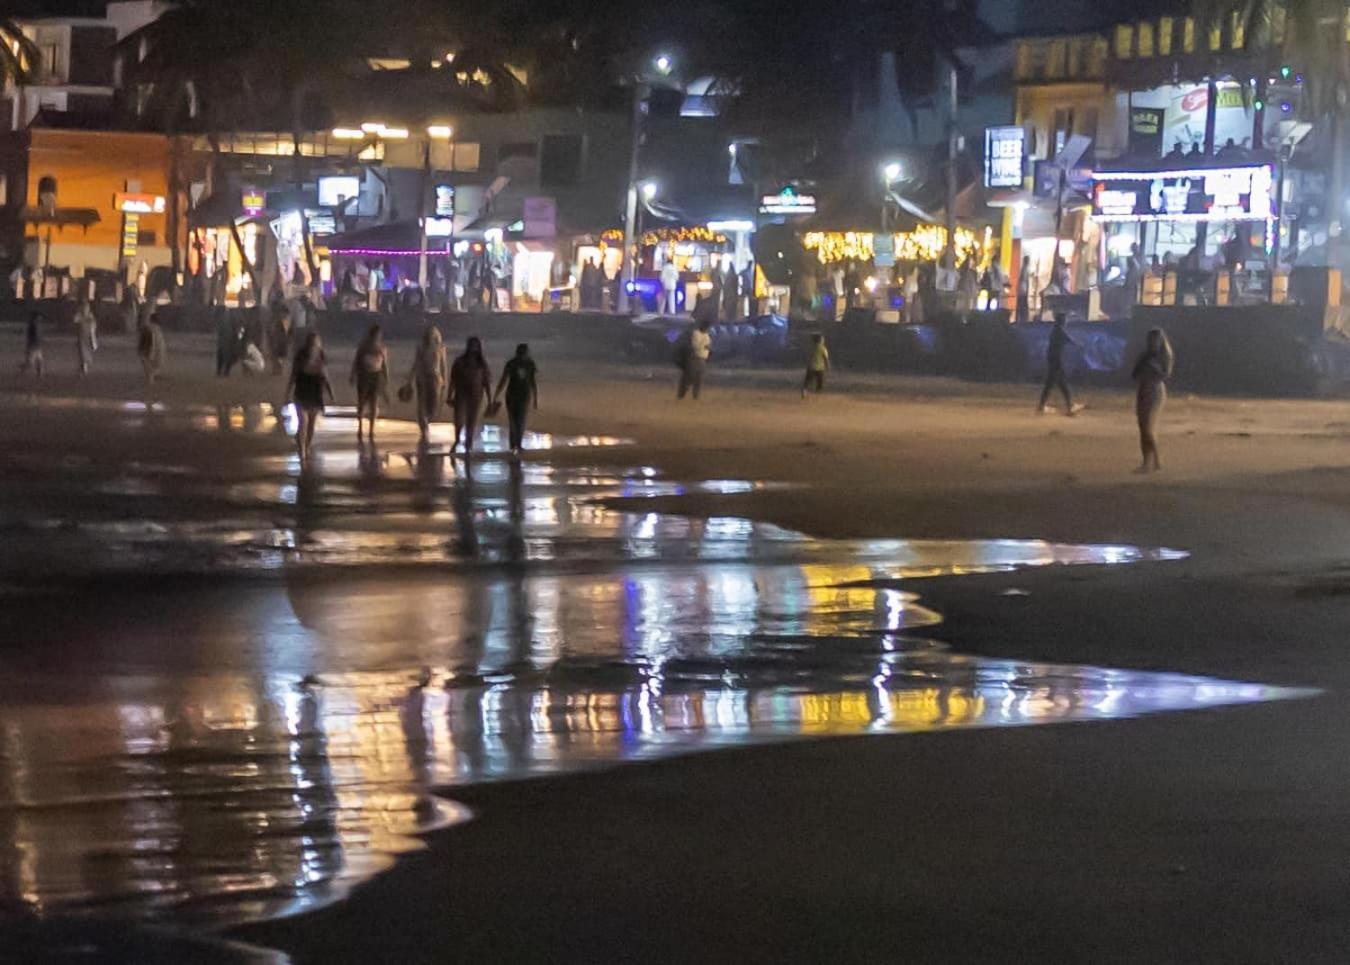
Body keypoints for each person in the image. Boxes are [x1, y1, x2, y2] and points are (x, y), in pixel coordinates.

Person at [286, 330, 334, 462]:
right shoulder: (300, 357)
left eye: (317, 343)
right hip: (301, 392)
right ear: (308, 344)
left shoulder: (321, 357)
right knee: (303, 422)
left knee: (311, 425)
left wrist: (331, 392)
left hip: (315, 394)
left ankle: (306, 446)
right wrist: (287, 393)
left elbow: (325, 376)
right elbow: (293, 376)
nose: (315, 346)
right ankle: (302, 451)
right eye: (312, 343)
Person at [1131, 327, 1174, 473]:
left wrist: (1154, 368)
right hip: (1143, 389)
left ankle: (1156, 460)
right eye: (1149, 340)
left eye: (1154, 340)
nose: (1151, 343)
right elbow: (1134, 374)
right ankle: (1146, 462)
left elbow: (1165, 375)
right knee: (1143, 428)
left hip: (1155, 390)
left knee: (1148, 427)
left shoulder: (1164, 356)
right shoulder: (1145, 356)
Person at [493, 342, 539, 456]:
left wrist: (496, 394)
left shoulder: (517, 363)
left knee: (517, 421)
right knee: (516, 421)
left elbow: (532, 382)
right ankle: (515, 444)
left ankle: (515, 444)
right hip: (516, 395)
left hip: (519, 395)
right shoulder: (527, 364)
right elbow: (532, 382)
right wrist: (535, 398)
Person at [448, 336, 492, 453]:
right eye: (472, 345)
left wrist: (490, 398)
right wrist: (449, 395)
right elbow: (453, 379)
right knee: (458, 419)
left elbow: (486, 382)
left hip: (476, 394)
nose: (473, 348)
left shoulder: (481, 363)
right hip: (461, 392)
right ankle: (457, 439)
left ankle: (468, 442)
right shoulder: (460, 361)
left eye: (475, 346)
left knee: (471, 420)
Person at [1038, 311, 1083, 415]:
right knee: (1062, 384)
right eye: (1064, 319)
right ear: (1062, 321)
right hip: (1056, 360)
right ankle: (1069, 408)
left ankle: (1041, 407)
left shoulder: (1055, 330)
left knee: (1050, 385)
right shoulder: (1060, 331)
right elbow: (1071, 341)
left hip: (1052, 360)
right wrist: (1080, 345)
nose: (1066, 321)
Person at [350, 323, 389, 444]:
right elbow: (356, 361)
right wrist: (353, 374)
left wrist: (386, 378)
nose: (378, 337)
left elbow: (384, 364)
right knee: (362, 402)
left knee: (374, 403)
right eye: (376, 335)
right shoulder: (364, 346)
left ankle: (371, 429)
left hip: (376, 375)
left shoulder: (382, 347)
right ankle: (360, 426)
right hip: (364, 375)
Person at [408, 325, 447, 444]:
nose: (431, 336)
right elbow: (416, 363)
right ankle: (423, 426)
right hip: (422, 377)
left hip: (435, 378)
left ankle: (427, 420)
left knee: (433, 404)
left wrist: (445, 379)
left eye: (433, 334)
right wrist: (409, 379)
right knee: (422, 403)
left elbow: (443, 365)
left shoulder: (440, 348)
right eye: (429, 334)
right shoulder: (421, 348)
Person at [677, 318, 712, 400]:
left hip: (703, 359)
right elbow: (696, 346)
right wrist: (705, 346)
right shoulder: (696, 333)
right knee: (689, 377)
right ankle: (681, 394)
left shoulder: (706, 335)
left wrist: (708, 349)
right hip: (695, 358)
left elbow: (708, 345)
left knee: (699, 379)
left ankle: (695, 396)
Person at [137, 312, 166, 386]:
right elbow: (152, 343)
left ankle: (150, 380)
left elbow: (145, 342)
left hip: (147, 352)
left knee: (150, 368)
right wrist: (151, 354)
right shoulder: (153, 330)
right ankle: (150, 381)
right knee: (151, 368)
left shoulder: (151, 329)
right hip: (150, 353)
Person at [801, 332, 829, 398]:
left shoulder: (812, 348)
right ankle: (817, 391)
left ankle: (804, 390)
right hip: (820, 368)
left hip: (811, 367)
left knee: (807, 380)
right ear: (821, 340)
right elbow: (825, 358)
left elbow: (808, 356)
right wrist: (827, 366)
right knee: (820, 381)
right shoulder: (823, 348)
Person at [74, 301, 97, 377]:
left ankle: (83, 368)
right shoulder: (80, 316)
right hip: (81, 337)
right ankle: (83, 368)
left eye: (86, 308)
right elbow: (75, 320)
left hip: (87, 337)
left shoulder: (90, 317)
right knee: (82, 353)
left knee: (85, 353)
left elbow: (93, 328)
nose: (85, 309)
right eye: (84, 308)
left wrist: (93, 341)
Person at [19, 311, 43, 377]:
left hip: (37, 346)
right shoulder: (32, 326)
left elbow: (38, 336)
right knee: (30, 363)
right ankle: (22, 369)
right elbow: (32, 336)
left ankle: (39, 374)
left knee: (39, 361)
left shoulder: (37, 325)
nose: (40, 318)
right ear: (35, 318)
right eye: (39, 317)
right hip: (32, 346)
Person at [1016, 255, 1031, 323]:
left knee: (1021, 303)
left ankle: (1020, 317)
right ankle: (1022, 318)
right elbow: (1024, 279)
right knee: (1022, 303)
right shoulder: (1025, 269)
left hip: (1022, 288)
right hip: (1023, 288)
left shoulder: (1024, 269)